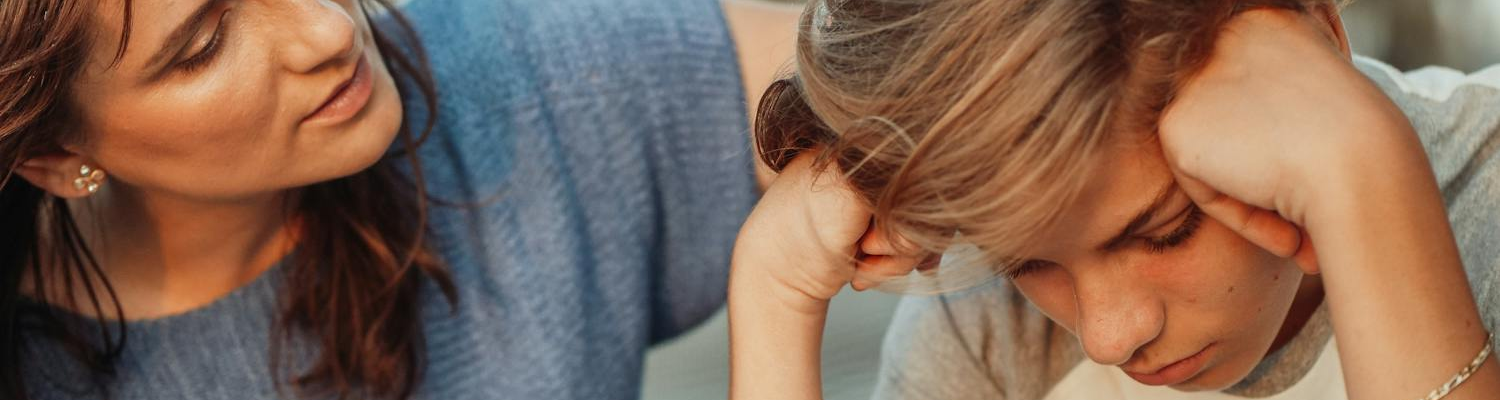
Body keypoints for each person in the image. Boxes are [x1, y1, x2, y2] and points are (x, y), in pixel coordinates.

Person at [0, 0, 798, 399]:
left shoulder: (499, 80)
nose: (330, 32)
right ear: (56, 154)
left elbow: (895, 69)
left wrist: (778, 292)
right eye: (205, 45)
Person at [728, 1, 1499, 399]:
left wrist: (1363, 178)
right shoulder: (989, 331)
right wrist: (773, 296)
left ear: (1319, 42)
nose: (1108, 335)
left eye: (1166, 231)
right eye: (1026, 260)